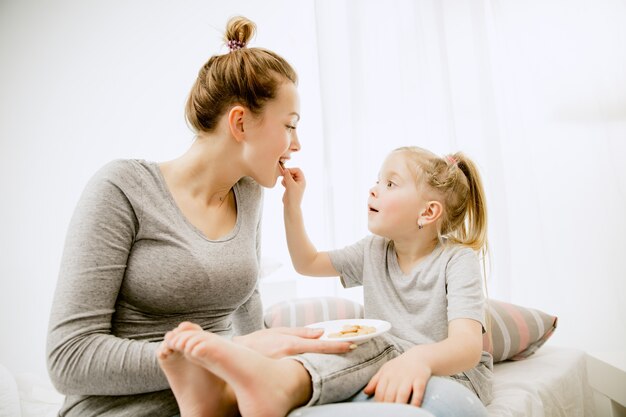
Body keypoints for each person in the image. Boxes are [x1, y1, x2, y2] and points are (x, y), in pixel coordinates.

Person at [45, 16, 355, 417]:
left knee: (376, 347)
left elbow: (247, 316)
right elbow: (69, 359)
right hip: (130, 408)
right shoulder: (122, 188)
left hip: (227, 398)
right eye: (290, 126)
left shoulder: (248, 193)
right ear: (240, 122)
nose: (296, 144)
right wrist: (225, 353)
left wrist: (270, 356)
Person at [157, 146, 493, 417]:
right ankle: (226, 399)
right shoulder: (374, 250)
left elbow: (466, 348)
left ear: (428, 213)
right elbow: (309, 263)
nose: (374, 188)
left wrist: (417, 359)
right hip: (390, 360)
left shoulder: (457, 260)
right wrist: (293, 205)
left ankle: (273, 387)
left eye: (391, 183)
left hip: (454, 375)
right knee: (351, 343)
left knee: (373, 340)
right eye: (378, 179)